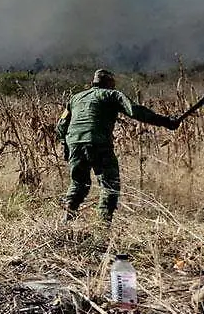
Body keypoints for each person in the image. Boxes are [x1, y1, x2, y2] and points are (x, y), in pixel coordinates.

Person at [56, 69, 179, 224]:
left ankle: (66, 219)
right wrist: (167, 122)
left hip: (74, 143)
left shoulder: (75, 98)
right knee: (109, 184)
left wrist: (66, 145)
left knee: (78, 183)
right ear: (109, 82)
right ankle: (102, 225)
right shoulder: (112, 95)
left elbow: (61, 125)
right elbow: (135, 111)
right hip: (98, 143)